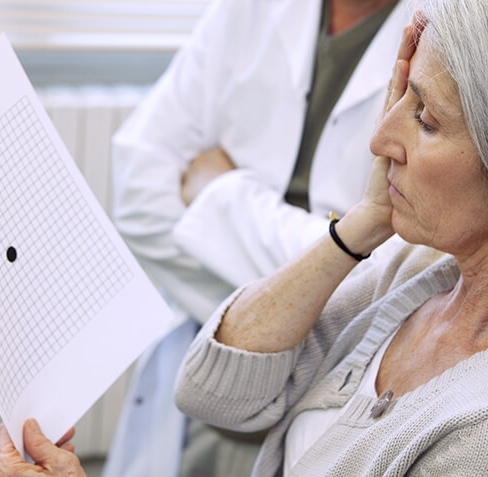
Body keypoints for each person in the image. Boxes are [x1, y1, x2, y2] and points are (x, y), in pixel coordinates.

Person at [0, 0, 488, 475]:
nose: (380, 139)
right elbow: (213, 390)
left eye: (423, 119)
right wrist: (358, 224)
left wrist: (216, 193)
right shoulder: (420, 274)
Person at [103, 0, 416, 476]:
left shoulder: (456, 29)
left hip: (341, 414)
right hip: (207, 395)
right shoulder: (244, 10)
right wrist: (326, 267)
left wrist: (220, 194)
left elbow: (404, 268)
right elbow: (138, 195)